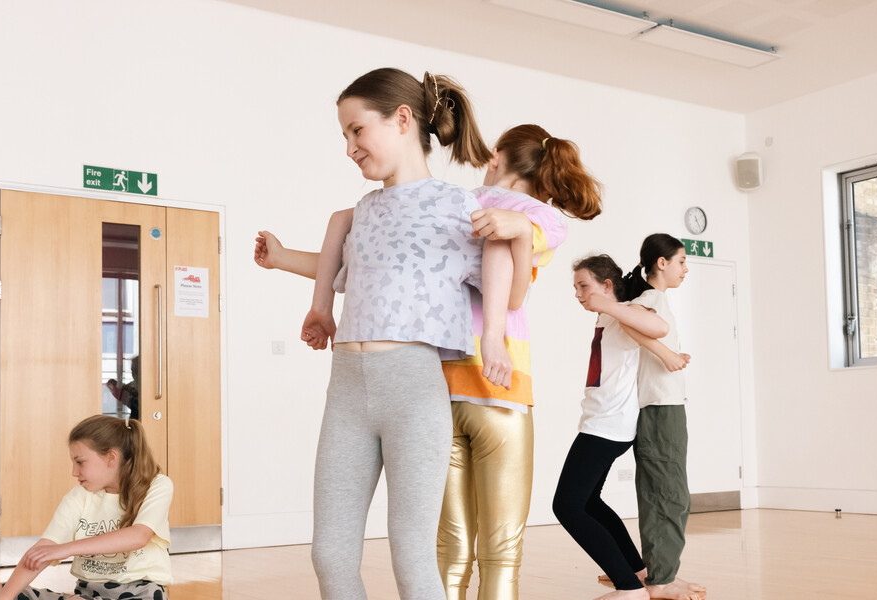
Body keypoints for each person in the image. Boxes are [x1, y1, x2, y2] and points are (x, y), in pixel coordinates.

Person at [256, 123, 604, 600]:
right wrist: (522, 230)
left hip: (437, 383)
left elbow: (358, 260)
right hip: (494, 390)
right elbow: (514, 280)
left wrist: (283, 258)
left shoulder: (453, 203)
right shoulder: (525, 215)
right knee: (498, 548)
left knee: (446, 546)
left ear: (496, 158)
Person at [298, 67, 502, 599]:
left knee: (411, 551)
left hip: (412, 387)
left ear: (403, 119)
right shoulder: (361, 211)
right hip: (346, 387)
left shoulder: (462, 207)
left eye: (356, 130)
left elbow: (507, 284)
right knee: (330, 552)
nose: (349, 147)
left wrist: (521, 234)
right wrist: (312, 299)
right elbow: (349, 273)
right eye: (344, 135)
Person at [552, 255, 667, 600]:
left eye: (583, 286)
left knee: (567, 506)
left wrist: (612, 305)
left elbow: (659, 327)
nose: (578, 294)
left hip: (607, 425)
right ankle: (636, 572)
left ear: (607, 285)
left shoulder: (625, 313)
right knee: (589, 503)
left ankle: (629, 588)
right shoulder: (608, 316)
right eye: (575, 288)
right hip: (601, 422)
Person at [0, 415, 172, 600]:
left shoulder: (157, 485)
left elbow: (138, 536)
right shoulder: (79, 496)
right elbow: (45, 549)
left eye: (80, 462)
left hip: (140, 593)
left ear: (111, 457)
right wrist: (5, 596)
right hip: (86, 594)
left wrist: (66, 549)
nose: (74, 472)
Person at [616, 233, 706, 600]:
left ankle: (663, 574)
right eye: (681, 261)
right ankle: (661, 581)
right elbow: (624, 320)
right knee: (667, 496)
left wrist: (669, 355)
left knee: (669, 495)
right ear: (661, 263)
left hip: (667, 407)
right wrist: (666, 355)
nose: (686, 268)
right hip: (659, 410)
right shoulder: (649, 299)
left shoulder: (657, 300)